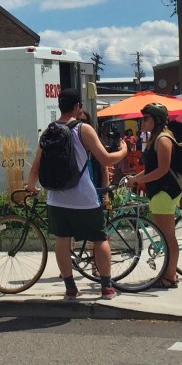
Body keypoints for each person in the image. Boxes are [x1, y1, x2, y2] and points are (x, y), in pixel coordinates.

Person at [26, 90, 129, 300]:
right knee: (99, 238)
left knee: (62, 240)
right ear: (77, 106)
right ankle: (107, 287)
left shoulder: (49, 131)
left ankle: (70, 287)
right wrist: (124, 152)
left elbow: (36, 164)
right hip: (83, 198)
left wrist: (30, 185)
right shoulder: (84, 129)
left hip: (56, 197)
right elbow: (107, 160)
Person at [123, 102, 181, 288]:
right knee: (165, 235)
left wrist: (142, 180)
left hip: (165, 192)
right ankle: (168, 273)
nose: (142, 121)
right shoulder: (155, 138)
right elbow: (151, 169)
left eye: (146, 118)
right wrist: (135, 179)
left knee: (167, 235)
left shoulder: (163, 139)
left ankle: (170, 276)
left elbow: (163, 169)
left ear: (156, 120)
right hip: (159, 192)